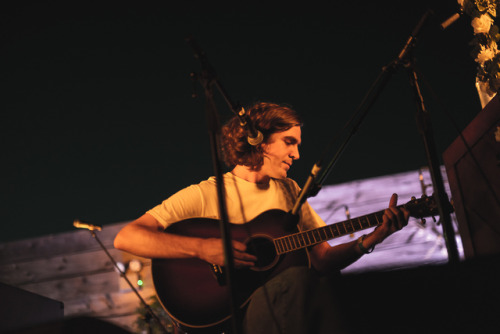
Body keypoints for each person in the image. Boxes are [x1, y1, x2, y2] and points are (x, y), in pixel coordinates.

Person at [114, 102, 410, 333]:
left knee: (329, 285)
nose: (296, 154)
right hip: (236, 317)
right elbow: (126, 237)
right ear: (260, 141)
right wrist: (203, 249)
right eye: (289, 142)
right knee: (299, 278)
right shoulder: (208, 193)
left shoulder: (289, 190)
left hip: (289, 308)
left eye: (298, 145)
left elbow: (320, 259)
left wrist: (371, 239)